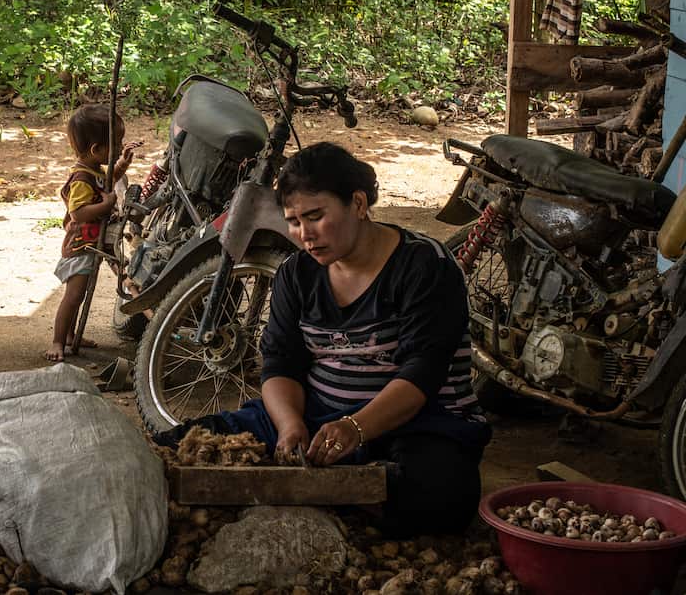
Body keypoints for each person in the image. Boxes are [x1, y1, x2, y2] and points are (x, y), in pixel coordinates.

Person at [154, 142, 490, 536]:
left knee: (440, 495)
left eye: (315, 216)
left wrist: (355, 428)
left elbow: (422, 375)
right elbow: (281, 363)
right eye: (294, 221)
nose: (304, 234)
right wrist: (289, 424)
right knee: (175, 449)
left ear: (359, 203)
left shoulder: (425, 266)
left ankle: (336, 494)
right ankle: (335, 495)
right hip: (316, 417)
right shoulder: (296, 274)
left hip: (418, 425)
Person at [47, 104, 136, 362]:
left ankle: (71, 335)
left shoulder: (94, 170)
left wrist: (121, 164)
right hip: (80, 247)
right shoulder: (81, 179)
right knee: (73, 297)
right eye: (116, 144)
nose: (119, 147)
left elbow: (107, 182)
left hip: (90, 245)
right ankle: (57, 340)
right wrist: (105, 205)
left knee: (79, 295)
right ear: (96, 150)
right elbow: (78, 212)